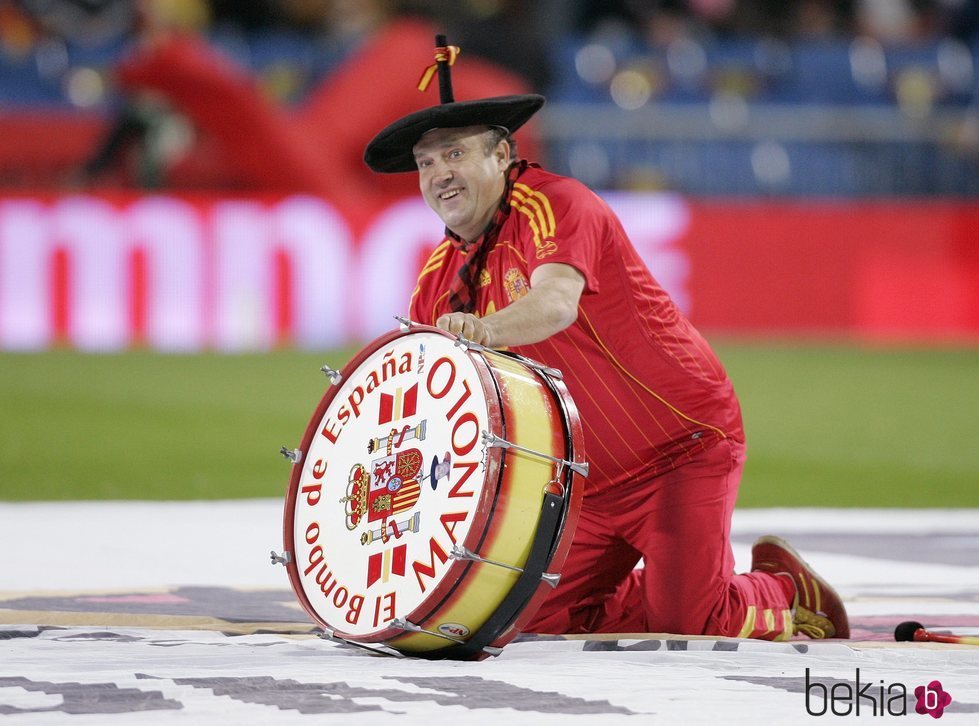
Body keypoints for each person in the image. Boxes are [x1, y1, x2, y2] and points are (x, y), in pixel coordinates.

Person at [363, 39, 850, 641]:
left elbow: (556, 302)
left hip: (679, 444)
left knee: (690, 622)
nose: (439, 175)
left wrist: (483, 332)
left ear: (503, 154)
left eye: (455, 153)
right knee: (522, 615)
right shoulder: (436, 282)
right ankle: (672, 581)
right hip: (584, 479)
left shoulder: (557, 204)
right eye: (425, 163)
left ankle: (780, 589)